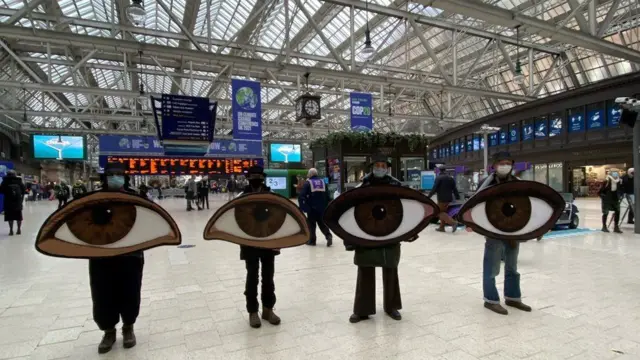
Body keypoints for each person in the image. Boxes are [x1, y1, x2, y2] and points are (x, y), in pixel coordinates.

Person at [348, 154, 415, 323]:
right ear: (372, 168)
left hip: (390, 232)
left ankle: (391, 307)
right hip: (366, 232)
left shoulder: (397, 187)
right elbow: (350, 211)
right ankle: (362, 310)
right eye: (377, 165)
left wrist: (409, 231)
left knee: (391, 270)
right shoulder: (362, 186)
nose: (380, 168)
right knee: (365, 271)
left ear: (387, 168)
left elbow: (407, 210)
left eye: (383, 165)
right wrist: (350, 238)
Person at [469, 151, 531, 315]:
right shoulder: (486, 184)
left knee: (512, 266)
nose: (505, 166)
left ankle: (512, 297)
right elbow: (476, 204)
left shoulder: (517, 183)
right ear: (494, 165)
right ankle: (490, 300)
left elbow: (526, 205)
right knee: (491, 267)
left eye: (508, 163)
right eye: (501, 163)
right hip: (493, 230)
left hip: (513, 229)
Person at [90, 173, 144, 354]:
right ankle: (108, 331)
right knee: (102, 293)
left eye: (119, 176)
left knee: (130, 290)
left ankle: (128, 327)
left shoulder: (135, 197)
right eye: (111, 175)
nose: (115, 179)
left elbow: (148, 221)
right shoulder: (95, 199)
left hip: (130, 254)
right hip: (101, 255)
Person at [240, 166, 281, 328]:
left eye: (258, 176)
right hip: (249, 243)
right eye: (252, 176)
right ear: (248, 178)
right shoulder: (242, 198)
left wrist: (278, 242)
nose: (255, 179)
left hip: (268, 242)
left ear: (262, 178)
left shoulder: (270, 197)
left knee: (268, 278)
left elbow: (277, 220)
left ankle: (268, 309)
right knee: (252, 278)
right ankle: (252, 311)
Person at [298, 168, 333, 247]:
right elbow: (328, 195)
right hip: (322, 208)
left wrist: (303, 207)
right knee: (322, 223)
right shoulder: (323, 182)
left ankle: (312, 241)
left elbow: (302, 195)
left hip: (312, 208)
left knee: (311, 225)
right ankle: (328, 236)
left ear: (310, 174)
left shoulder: (308, 183)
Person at [427, 166, 461, 233]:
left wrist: (428, 197)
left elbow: (434, 188)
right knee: (443, 212)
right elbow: (454, 188)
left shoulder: (439, 178)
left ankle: (453, 223)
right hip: (449, 199)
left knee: (438, 212)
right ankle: (441, 228)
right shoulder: (450, 178)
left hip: (442, 199)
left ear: (439, 170)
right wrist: (457, 197)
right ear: (445, 170)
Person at [0, 170, 25, 235]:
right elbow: (23, 190)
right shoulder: (19, 181)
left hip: (8, 202)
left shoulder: (5, 181)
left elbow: (1, 191)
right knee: (18, 216)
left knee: (10, 216)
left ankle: (11, 230)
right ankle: (19, 229)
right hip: (18, 202)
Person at [600, 169, 623, 233]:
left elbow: (620, 189)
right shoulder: (606, 181)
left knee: (618, 211)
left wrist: (620, 195)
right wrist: (603, 197)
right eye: (614, 173)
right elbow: (600, 191)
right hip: (607, 199)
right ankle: (604, 226)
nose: (615, 174)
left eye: (616, 173)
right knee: (605, 212)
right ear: (611, 174)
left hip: (615, 199)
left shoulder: (619, 181)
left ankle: (616, 227)